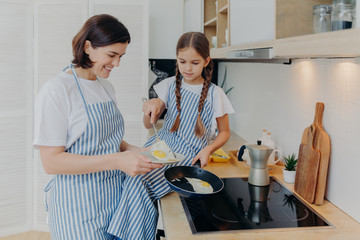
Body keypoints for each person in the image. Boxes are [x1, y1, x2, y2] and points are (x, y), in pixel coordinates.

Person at [33, 14, 162, 240]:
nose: (117, 64)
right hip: (77, 208)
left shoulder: (106, 86)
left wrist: (138, 152)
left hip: (113, 199)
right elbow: (51, 161)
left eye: (121, 56)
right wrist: (118, 160)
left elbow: (107, 139)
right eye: (111, 55)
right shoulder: (57, 90)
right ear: (88, 46)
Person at [110, 31, 234, 236]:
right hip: (158, 147)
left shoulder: (215, 94)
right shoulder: (168, 85)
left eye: (194, 62)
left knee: (139, 181)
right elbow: (148, 126)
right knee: (129, 175)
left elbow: (225, 132)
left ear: (206, 61)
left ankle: (132, 235)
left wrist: (208, 149)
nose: (187, 68)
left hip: (185, 157)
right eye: (182, 61)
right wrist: (149, 109)